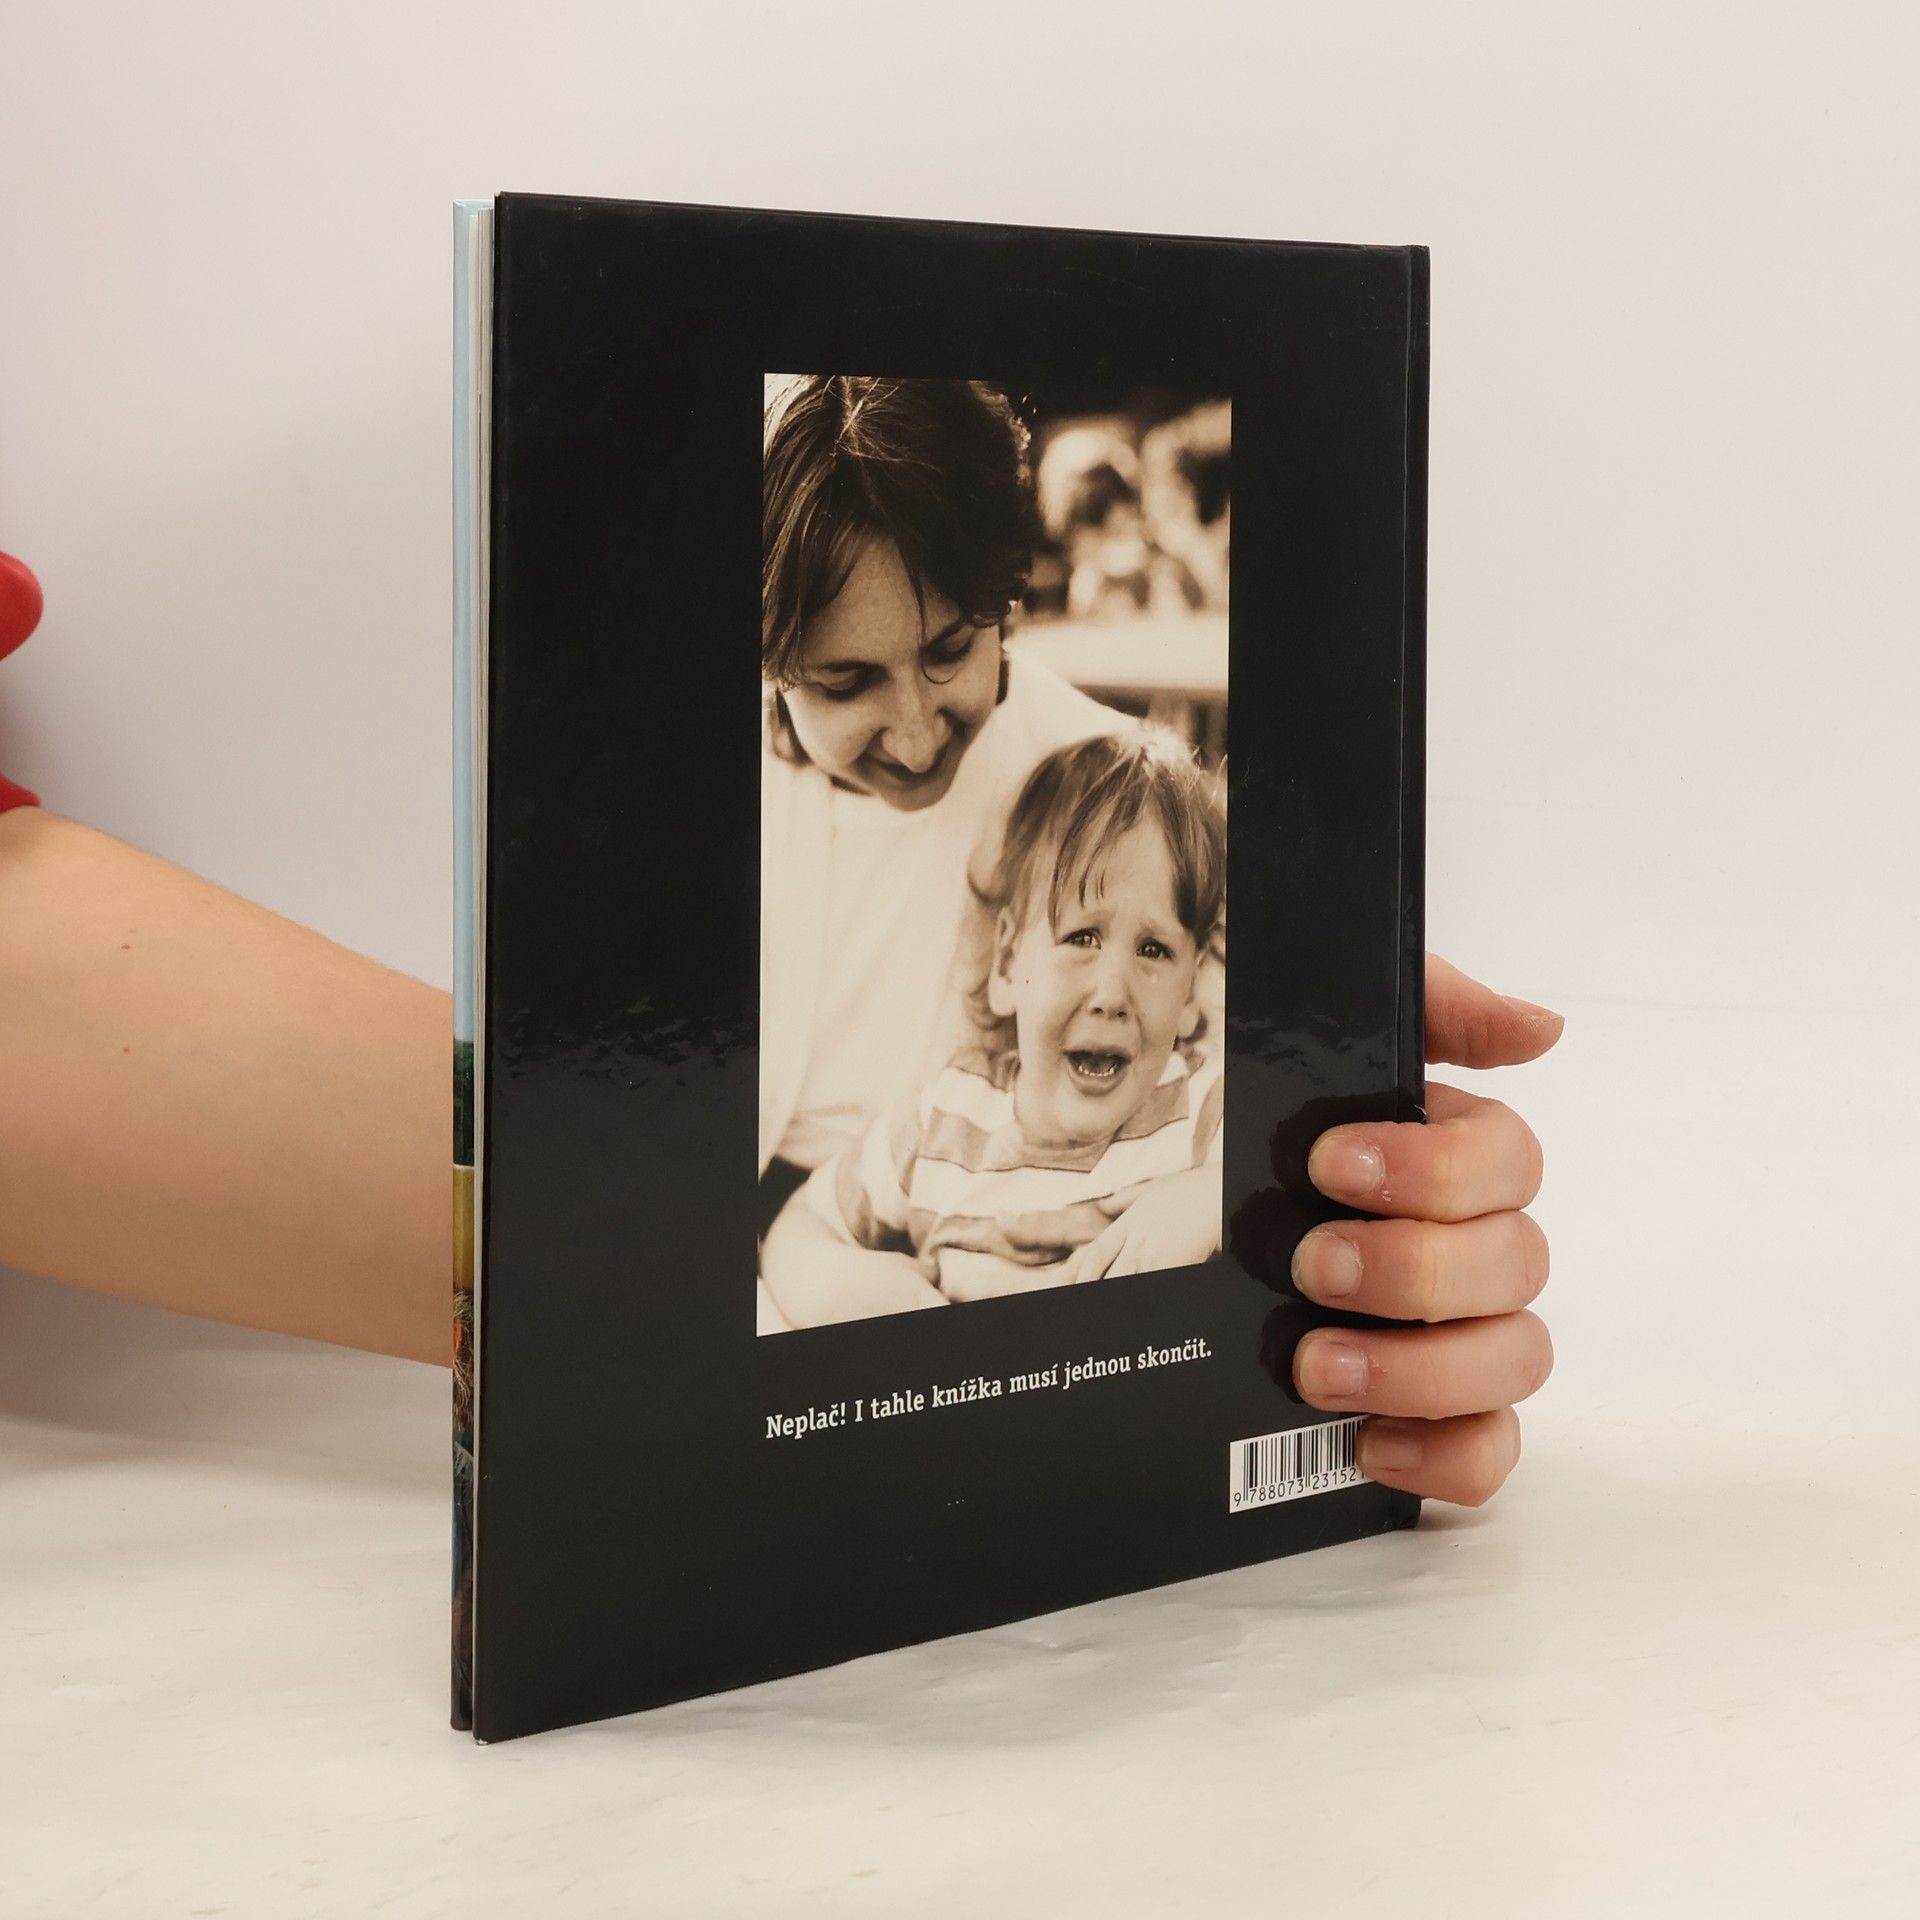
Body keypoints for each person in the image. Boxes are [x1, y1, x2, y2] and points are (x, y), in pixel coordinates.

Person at [0, 372, 1559, 1509]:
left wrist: (1294, 1063)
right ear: (762, 665)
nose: (915, 729)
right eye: (841, 684)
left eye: (951, 653)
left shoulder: (1101, 808)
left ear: (1008, 604)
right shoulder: (652, 773)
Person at [764, 729, 1226, 1324]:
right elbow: (800, 1227)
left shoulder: (1201, 1107)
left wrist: (1207, 1202)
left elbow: (1303, 1185)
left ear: (1190, 991)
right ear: (1007, 963)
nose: (1113, 994)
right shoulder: (943, 1124)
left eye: (1154, 950)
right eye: (1082, 937)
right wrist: (853, 1285)